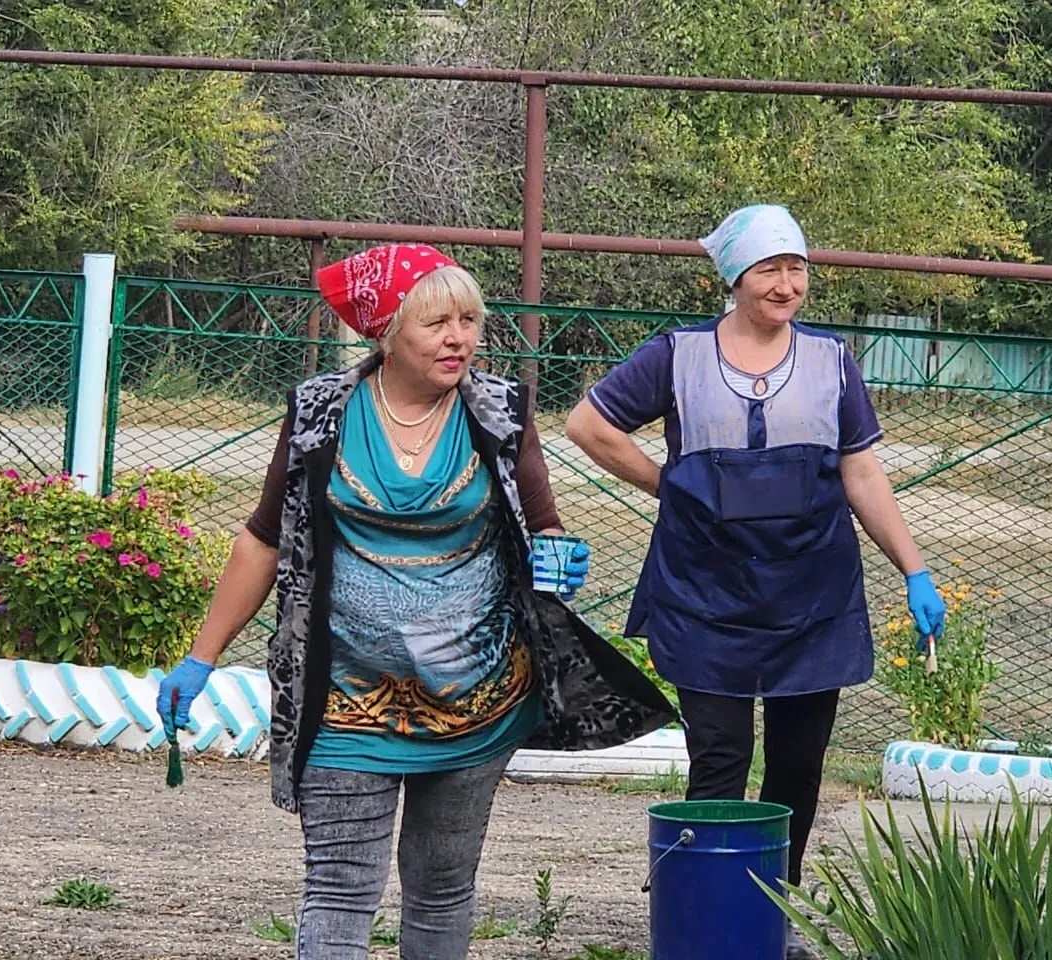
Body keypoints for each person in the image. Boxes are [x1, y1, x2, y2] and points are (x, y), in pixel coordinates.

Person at [154, 243, 674, 960]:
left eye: (469, 321)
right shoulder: (319, 414)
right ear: (387, 333)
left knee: (441, 890)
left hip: (477, 704)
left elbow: (544, 526)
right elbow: (263, 539)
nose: (459, 338)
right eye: (437, 324)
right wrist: (201, 658)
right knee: (338, 889)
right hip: (343, 702)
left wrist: (558, 558)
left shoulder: (500, 413)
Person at [564, 205, 947, 959]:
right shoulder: (678, 355)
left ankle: (775, 920)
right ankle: (709, 924)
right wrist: (669, 487)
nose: (786, 285)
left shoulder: (832, 360)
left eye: (796, 268)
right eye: (769, 269)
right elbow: (588, 426)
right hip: (706, 595)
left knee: (798, 770)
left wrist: (915, 568)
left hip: (812, 596)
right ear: (735, 278)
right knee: (720, 760)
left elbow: (861, 471)